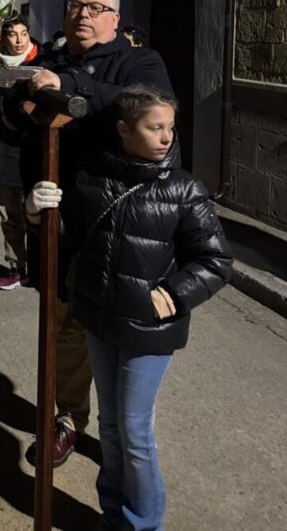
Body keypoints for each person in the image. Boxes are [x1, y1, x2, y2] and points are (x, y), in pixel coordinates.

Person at [27, 85, 232, 531]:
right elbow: (70, 241)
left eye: (169, 128)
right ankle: (113, 512)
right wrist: (37, 213)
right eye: (153, 127)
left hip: (149, 330)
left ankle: (144, 524)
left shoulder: (184, 190)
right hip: (100, 320)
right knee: (111, 427)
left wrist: (177, 293)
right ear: (123, 130)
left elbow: (216, 261)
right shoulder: (91, 178)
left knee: (135, 431)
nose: (165, 137)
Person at [6, 0, 174, 465]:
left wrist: (69, 86)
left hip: (120, 224)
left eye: (96, 8)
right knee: (65, 330)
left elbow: (145, 106)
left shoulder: (140, 60)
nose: (83, 14)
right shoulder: (52, 60)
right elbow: (16, 118)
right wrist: (18, 106)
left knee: (118, 335)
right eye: (76, 6)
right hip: (59, 220)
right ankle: (67, 420)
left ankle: (124, 436)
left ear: (115, 19)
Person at [0, 15, 43, 290]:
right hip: (3, 153)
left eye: (24, 33)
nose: (20, 40)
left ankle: (39, 269)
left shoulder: (41, 67)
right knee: (9, 217)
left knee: (35, 216)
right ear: (4, 38)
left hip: (31, 153)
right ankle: (16, 268)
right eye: (13, 35)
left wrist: (20, 118)